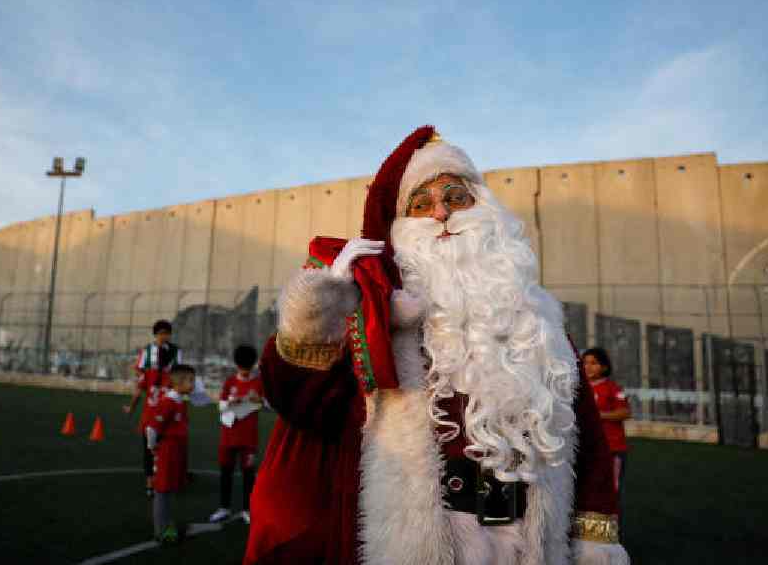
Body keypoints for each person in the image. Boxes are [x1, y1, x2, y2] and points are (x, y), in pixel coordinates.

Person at [245, 127, 629, 565]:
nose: (441, 213)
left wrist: (596, 539)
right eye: (421, 205)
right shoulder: (379, 326)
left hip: (528, 543)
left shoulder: (543, 326)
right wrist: (321, 313)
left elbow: (590, 444)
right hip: (422, 540)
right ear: (401, 228)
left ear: (486, 211)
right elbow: (299, 399)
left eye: (456, 198)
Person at [123, 320, 180, 497]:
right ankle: (156, 482)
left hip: (154, 415)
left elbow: (140, 387)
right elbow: (139, 376)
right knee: (159, 448)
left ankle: (153, 482)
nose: (164, 336)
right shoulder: (154, 367)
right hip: (161, 415)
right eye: (161, 333)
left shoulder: (159, 370)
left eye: (167, 333)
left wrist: (131, 407)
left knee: (153, 449)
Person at [209, 344, 265, 525]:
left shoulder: (258, 383)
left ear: (253, 365)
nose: (245, 370)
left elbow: (270, 404)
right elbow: (220, 406)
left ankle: (247, 510)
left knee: (249, 474)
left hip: (248, 438)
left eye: (247, 367)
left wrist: (261, 400)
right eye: (242, 367)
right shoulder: (230, 382)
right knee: (226, 472)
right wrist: (232, 402)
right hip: (228, 436)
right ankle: (223, 508)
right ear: (237, 364)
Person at [583, 347, 631, 537]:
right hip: (587, 450)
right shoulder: (580, 388)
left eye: (593, 363)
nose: (588, 366)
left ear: (604, 367)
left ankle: (609, 535)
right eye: (585, 362)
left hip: (612, 449)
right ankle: (586, 532)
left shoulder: (613, 388)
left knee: (609, 491)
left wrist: (598, 415)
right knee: (587, 491)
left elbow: (625, 412)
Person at [145, 364, 196, 543]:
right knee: (162, 490)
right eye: (190, 381)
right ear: (179, 383)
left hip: (177, 452)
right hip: (167, 452)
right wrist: (152, 447)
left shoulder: (180, 401)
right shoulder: (168, 402)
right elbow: (151, 428)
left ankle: (167, 525)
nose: (193, 384)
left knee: (169, 490)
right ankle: (161, 531)